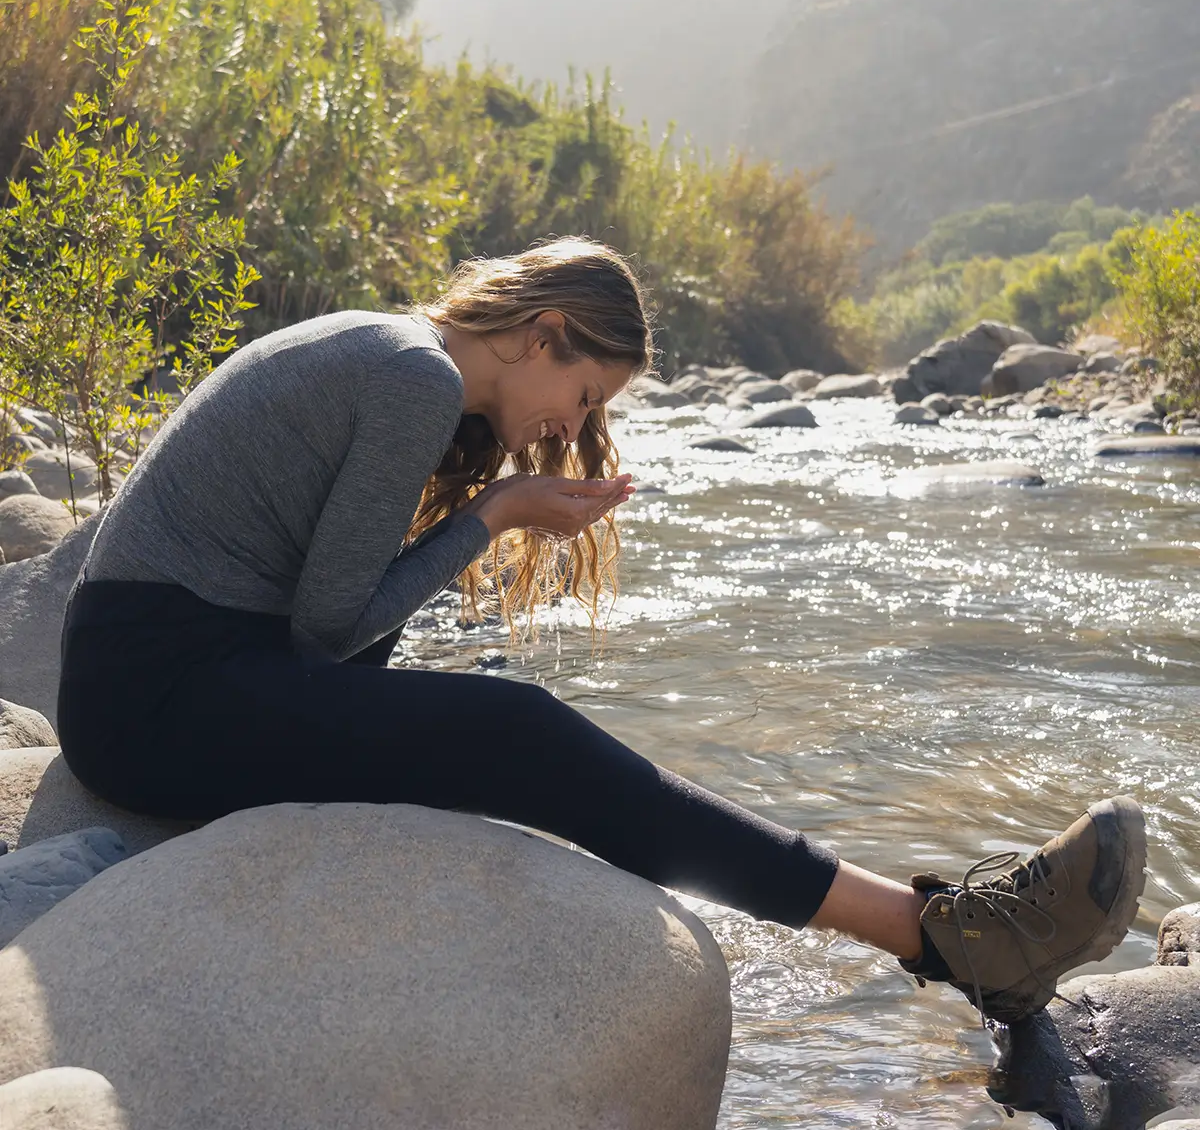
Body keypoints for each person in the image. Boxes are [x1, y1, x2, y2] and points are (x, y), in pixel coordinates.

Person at [58, 237, 1146, 1025]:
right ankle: (945, 936)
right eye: (581, 395)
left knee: (503, 736)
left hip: (159, 675)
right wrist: (494, 516)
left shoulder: (398, 358)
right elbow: (327, 634)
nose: (570, 430)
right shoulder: (412, 378)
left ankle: (941, 924)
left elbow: (321, 632)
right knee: (520, 732)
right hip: (156, 692)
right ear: (541, 334)